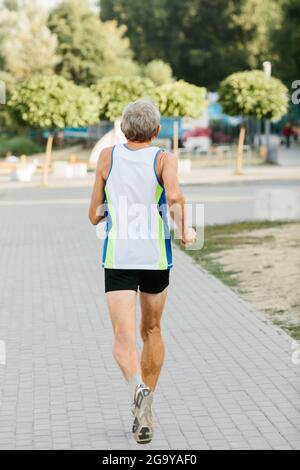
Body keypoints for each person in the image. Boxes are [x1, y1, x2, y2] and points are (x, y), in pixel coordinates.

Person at [89, 99, 196, 444]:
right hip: (155, 259)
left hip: (119, 258)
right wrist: (186, 230)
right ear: (156, 131)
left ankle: (137, 391)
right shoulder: (165, 158)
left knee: (122, 339)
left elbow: (93, 214)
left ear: (123, 129)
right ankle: (147, 400)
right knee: (151, 329)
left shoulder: (108, 157)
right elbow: (176, 195)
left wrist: (114, 211)